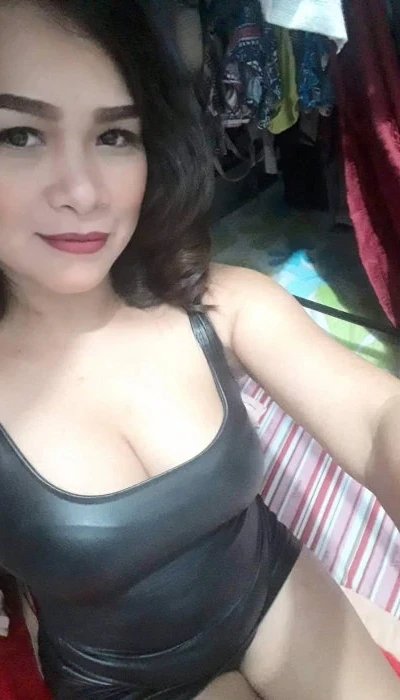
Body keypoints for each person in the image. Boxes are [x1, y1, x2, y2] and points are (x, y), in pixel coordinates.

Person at [0, 1, 398, 698]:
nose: (83, 192)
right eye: (21, 135)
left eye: (115, 135)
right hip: (124, 678)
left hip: (271, 594)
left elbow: (375, 420)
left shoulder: (219, 303)